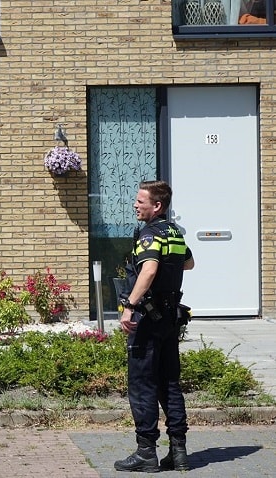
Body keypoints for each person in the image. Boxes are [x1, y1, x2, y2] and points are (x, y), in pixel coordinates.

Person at [114, 180, 195, 473]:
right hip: (170, 319)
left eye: (141, 201)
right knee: (169, 383)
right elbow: (189, 263)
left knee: (142, 384)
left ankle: (146, 452)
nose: (135, 205)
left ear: (157, 206)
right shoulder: (174, 232)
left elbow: (148, 271)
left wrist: (129, 306)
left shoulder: (149, 234)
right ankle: (179, 452)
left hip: (148, 320)